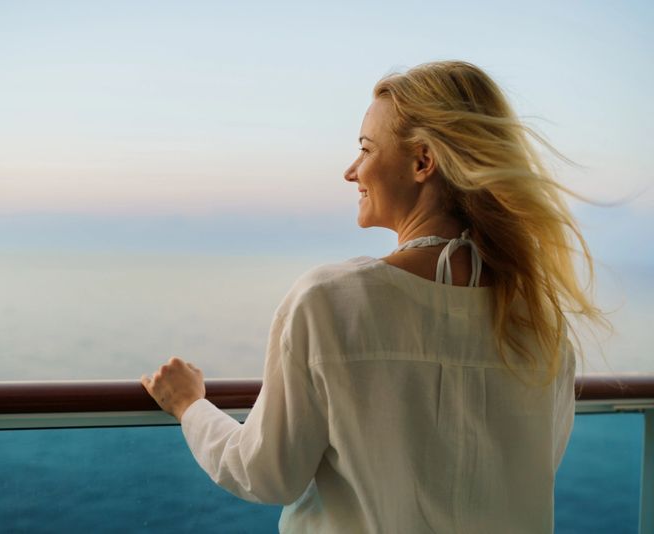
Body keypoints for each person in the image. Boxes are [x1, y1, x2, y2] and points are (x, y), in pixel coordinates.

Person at [140, 60, 607, 533]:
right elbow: (533, 468)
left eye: (365, 149)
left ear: (423, 162)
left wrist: (189, 405)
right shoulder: (537, 318)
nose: (351, 171)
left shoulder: (329, 302)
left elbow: (265, 473)